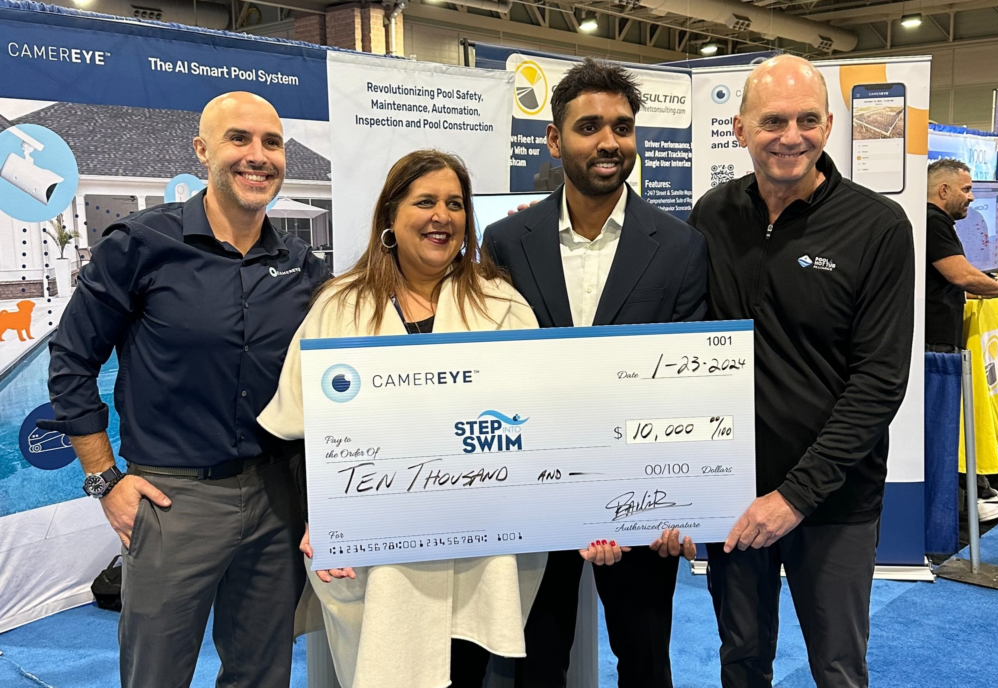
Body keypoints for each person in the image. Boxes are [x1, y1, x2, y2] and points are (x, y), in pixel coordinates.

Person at [39, 92, 329, 687]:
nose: (258, 156)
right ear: (202, 150)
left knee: (262, 673)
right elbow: (71, 361)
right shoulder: (141, 245)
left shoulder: (303, 267)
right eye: (239, 139)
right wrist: (104, 480)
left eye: (272, 143)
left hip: (277, 497)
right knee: (156, 675)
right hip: (173, 500)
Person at [257, 149, 547, 688]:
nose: (442, 215)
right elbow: (300, 427)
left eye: (455, 204)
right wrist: (319, 519)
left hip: (478, 544)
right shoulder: (338, 306)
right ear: (391, 216)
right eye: (425, 201)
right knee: (383, 669)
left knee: (467, 671)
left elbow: (541, 426)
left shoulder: (501, 305)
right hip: (377, 550)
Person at [686, 55, 914, 687]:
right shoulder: (711, 216)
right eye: (773, 120)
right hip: (731, 494)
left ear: (830, 125)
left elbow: (879, 382)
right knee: (743, 662)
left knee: (838, 669)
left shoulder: (878, 227)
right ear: (739, 129)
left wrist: (794, 497)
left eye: (807, 119)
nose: (791, 135)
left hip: (835, 499)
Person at [483, 57, 704, 688]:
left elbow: (688, 384)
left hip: (639, 498)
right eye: (589, 127)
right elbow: (497, 369)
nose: (609, 141)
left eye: (622, 126)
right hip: (533, 494)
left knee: (643, 660)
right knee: (535, 663)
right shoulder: (505, 241)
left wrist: (678, 501)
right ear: (555, 140)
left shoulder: (682, 246)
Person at [926, 158, 998, 521]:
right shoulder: (933, 220)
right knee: (942, 432)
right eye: (966, 190)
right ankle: (964, 504)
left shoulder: (930, 222)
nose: (971, 198)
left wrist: (993, 288)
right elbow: (960, 275)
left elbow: (948, 283)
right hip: (933, 348)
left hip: (936, 345)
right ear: (944, 190)